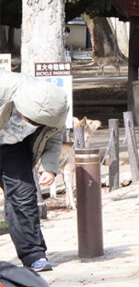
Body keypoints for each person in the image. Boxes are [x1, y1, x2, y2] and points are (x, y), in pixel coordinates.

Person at [0, 73, 68, 273]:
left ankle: (34, 255)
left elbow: (54, 138)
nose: (25, 122)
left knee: (23, 196)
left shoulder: (56, 109)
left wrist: (49, 167)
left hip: (14, 147)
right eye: (24, 117)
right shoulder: (4, 87)